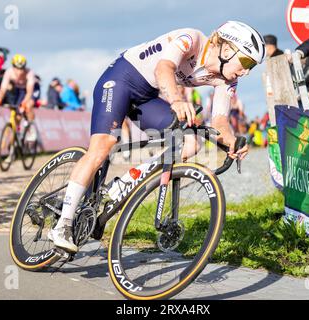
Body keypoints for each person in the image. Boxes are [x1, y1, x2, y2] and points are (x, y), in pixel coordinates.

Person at [47, 21, 266, 253]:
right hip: (121, 79)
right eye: (246, 61)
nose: (246, 71)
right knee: (104, 145)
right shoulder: (191, 39)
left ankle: (124, 184)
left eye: (252, 66)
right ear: (227, 48)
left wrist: (232, 142)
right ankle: (64, 225)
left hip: (146, 97)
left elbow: (220, 121)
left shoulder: (227, 79)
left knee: (191, 141)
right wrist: (177, 100)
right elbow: (164, 68)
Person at [0, 54, 37, 122]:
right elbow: (3, 88)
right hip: (18, 89)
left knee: (28, 106)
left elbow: (29, 92)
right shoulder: (9, 72)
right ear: (13, 67)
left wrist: (24, 103)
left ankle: (31, 126)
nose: (19, 71)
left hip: (30, 89)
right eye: (17, 68)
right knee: (17, 115)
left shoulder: (29, 73)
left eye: (21, 68)